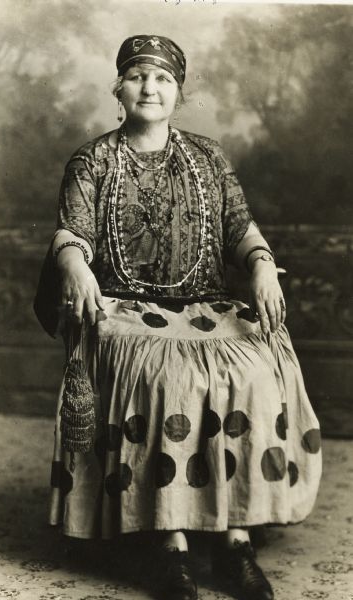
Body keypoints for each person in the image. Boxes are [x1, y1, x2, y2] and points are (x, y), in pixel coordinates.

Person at [42, 35, 322, 600]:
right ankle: (171, 546)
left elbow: (241, 228)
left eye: (163, 78)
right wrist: (74, 264)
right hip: (123, 306)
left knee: (255, 367)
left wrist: (263, 265)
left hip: (204, 303)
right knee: (172, 379)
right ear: (117, 87)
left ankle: (236, 539)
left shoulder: (207, 156)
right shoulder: (93, 158)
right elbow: (72, 234)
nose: (150, 88)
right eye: (139, 76)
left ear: (179, 91)